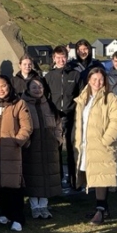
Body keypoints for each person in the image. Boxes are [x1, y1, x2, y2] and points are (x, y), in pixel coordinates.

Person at [0, 75, 33, 232]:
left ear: (9, 86)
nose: (0, 89)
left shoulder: (19, 103)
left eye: (3, 86)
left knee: (14, 185)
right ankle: (5, 213)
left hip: (12, 150)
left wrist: (18, 140)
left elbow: (27, 126)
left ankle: (18, 218)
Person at [74, 66, 117, 224]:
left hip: (102, 145)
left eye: (101, 79)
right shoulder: (83, 98)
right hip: (86, 145)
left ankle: (100, 210)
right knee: (94, 175)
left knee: (102, 175)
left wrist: (106, 140)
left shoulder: (111, 98)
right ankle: (103, 208)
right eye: (94, 79)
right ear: (89, 80)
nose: (97, 82)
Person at [22, 77, 62, 219]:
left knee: (47, 176)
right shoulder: (23, 104)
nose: (37, 90)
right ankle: (34, 206)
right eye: (34, 87)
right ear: (28, 89)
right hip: (31, 145)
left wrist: (58, 139)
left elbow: (58, 123)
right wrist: (25, 142)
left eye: (40, 87)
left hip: (49, 145)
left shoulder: (49, 104)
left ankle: (44, 205)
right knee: (33, 177)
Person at [43, 45, 81, 191]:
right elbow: (45, 97)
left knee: (72, 149)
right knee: (55, 150)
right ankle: (57, 181)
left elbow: (81, 95)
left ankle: (74, 181)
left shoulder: (75, 75)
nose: (61, 60)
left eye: (63, 57)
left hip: (71, 117)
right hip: (55, 118)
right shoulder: (49, 76)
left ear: (67, 57)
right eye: (58, 57)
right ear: (54, 58)